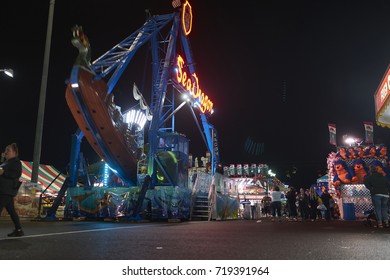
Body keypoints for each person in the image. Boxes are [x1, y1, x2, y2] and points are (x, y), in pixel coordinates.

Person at [0, 143, 23, 237]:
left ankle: (19, 230)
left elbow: (15, 174)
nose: (6, 152)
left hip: (6, 190)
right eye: (5, 150)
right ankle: (19, 230)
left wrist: (3, 171)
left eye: (8, 150)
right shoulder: (8, 162)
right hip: (5, 190)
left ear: (14, 152)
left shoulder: (15, 162)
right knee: (11, 210)